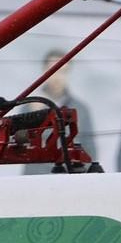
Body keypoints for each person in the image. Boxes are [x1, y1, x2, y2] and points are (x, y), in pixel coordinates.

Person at [24, 46, 92, 175]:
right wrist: (32, 119)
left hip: (70, 179)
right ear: (44, 71)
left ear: (68, 74)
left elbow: (91, 150)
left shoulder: (81, 109)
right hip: (35, 179)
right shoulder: (29, 105)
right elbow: (17, 148)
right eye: (53, 70)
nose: (57, 77)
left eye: (63, 71)